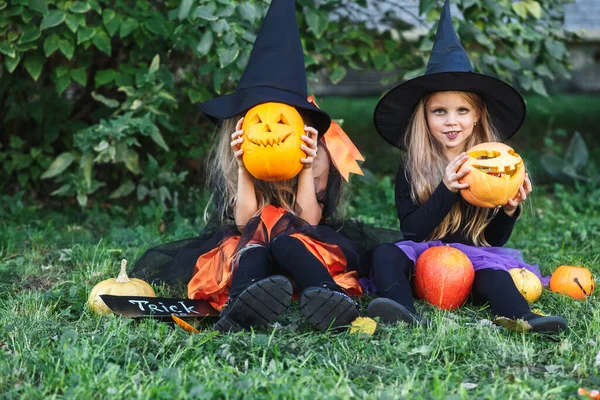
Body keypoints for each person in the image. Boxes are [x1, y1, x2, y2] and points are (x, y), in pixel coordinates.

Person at [133, 0, 365, 333]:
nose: (269, 129)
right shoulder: (239, 155)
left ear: (301, 121)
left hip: (301, 247)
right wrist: (243, 167)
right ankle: (240, 308)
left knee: (288, 243)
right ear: (243, 121)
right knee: (248, 248)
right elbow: (244, 223)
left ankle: (329, 299)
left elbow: (309, 221)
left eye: (282, 119)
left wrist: (304, 167)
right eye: (258, 117)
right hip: (251, 253)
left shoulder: (318, 155)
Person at [366, 0, 567, 334]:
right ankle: (401, 308)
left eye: (462, 111)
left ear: (476, 117)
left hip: (472, 263)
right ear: (424, 117)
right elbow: (413, 231)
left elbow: (491, 241)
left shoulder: (493, 167)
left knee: (496, 275)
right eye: (439, 111)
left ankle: (525, 318)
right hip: (423, 261)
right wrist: (446, 189)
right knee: (385, 253)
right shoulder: (412, 167)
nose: (451, 121)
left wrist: (509, 210)